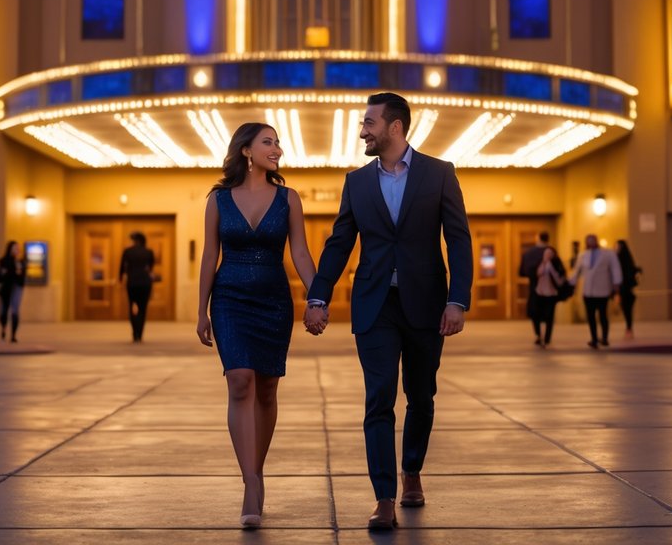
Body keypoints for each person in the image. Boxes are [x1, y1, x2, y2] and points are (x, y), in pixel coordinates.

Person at [304, 92, 473, 531]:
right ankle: (384, 498)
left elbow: (458, 240)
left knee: (421, 396)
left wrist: (458, 300)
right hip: (375, 305)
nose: (362, 130)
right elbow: (340, 243)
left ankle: (411, 469)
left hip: (427, 305)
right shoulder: (357, 182)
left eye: (368, 123)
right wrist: (318, 296)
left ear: (394, 127)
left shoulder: (439, 174)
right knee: (378, 399)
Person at [196, 122, 318, 529]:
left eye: (278, 142)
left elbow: (300, 252)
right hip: (229, 299)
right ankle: (251, 483)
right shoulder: (217, 200)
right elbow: (209, 256)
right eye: (268, 142)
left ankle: (257, 469)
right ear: (246, 150)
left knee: (266, 387)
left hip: (273, 302)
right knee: (240, 380)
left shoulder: (289, 199)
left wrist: (316, 297)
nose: (278, 149)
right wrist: (202, 311)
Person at [571, 234, 622, 349]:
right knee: (590, 316)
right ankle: (594, 338)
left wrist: (616, 283)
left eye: (592, 240)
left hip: (602, 290)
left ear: (596, 241)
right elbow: (576, 271)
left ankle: (604, 338)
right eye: (588, 241)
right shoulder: (583, 255)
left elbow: (615, 268)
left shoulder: (608, 254)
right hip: (588, 291)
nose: (591, 242)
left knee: (603, 315)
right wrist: (570, 285)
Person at [118, 231, 157, 343]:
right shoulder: (148, 252)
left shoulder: (127, 251)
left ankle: (134, 333)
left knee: (132, 307)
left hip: (132, 283)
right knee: (143, 308)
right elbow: (150, 267)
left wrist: (120, 278)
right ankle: (140, 334)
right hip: (145, 283)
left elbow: (122, 267)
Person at [530, 246, 569, 347]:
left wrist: (550, 267)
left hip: (551, 293)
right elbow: (537, 274)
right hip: (539, 292)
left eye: (550, 254)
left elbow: (559, 279)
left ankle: (547, 338)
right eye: (546, 253)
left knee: (549, 316)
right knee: (536, 315)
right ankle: (538, 335)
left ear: (553, 255)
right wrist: (544, 263)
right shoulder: (539, 263)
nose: (547, 255)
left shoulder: (556, 264)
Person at [519, 231, 552, 345]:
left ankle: (538, 335)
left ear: (538, 238)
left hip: (534, 286)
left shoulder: (529, 253)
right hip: (550, 288)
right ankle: (547, 337)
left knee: (535, 312)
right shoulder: (552, 252)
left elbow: (522, 272)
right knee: (549, 312)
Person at [0, 241, 26, 342]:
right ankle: (3, 329)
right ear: (10, 249)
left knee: (15, 310)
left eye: (18, 248)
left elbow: (22, 279)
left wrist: (19, 272)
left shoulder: (20, 262)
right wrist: (3, 273)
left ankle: (13, 335)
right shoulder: (3, 261)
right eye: (15, 248)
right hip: (5, 288)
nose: (17, 250)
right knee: (3, 311)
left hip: (16, 288)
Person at [616, 239, 642, 339]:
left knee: (626, 309)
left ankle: (629, 328)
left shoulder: (621, 258)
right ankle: (629, 328)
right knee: (627, 310)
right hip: (625, 289)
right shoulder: (626, 258)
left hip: (625, 289)